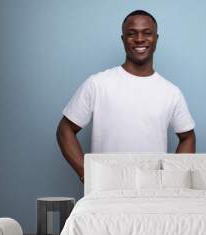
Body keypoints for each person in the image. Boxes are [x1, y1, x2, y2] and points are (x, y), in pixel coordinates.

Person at [56, 10, 196, 184]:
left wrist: (172, 178)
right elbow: (65, 129)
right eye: (131, 34)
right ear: (123, 39)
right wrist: (86, 174)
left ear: (156, 39)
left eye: (147, 33)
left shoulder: (171, 92)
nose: (139, 39)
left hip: (153, 193)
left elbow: (187, 137)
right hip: (104, 192)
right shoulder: (98, 84)